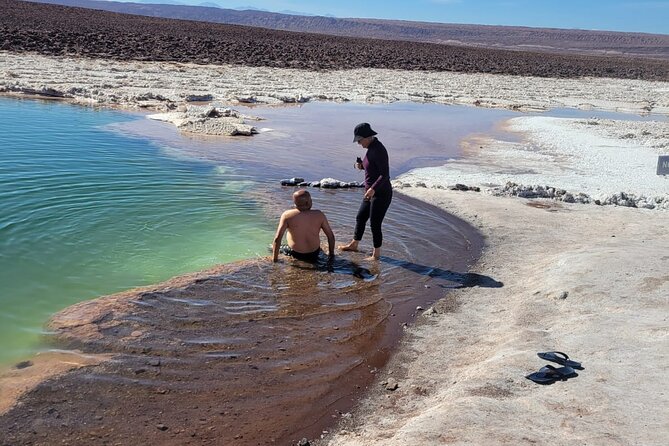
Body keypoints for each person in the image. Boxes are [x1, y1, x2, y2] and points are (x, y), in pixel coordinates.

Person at [339, 122, 392, 260]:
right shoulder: (371, 148)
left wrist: (373, 189)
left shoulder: (379, 150)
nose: (358, 143)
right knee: (361, 217)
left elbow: (385, 175)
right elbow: (372, 168)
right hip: (371, 192)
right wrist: (361, 166)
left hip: (381, 193)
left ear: (367, 137)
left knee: (375, 223)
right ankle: (354, 244)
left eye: (359, 140)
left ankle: (376, 255)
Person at [272, 189, 335, 263]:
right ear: (308, 202)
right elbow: (331, 236)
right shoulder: (319, 215)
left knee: (270, 247)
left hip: (295, 253)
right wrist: (331, 254)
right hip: (314, 253)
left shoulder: (287, 215)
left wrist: (275, 259)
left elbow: (277, 238)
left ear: (295, 203)